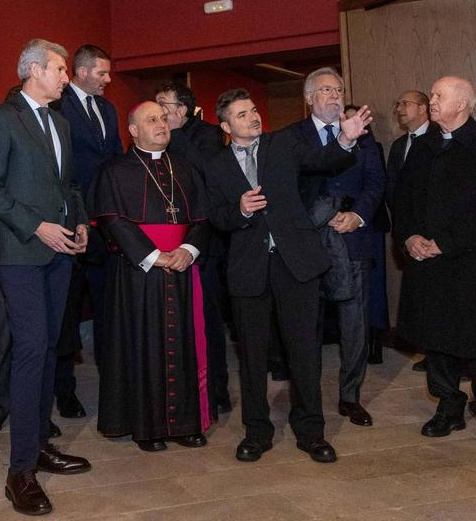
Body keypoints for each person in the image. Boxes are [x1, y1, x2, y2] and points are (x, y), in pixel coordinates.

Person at [204, 88, 370, 464]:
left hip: (296, 264)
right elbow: (214, 215)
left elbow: (324, 160)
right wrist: (240, 210)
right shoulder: (215, 167)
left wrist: (346, 137)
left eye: (254, 110)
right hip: (249, 270)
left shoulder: (282, 145)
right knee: (252, 356)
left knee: (304, 352)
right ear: (226, 125)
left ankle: (311, 431)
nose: (253, 117)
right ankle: (256, 432)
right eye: (243, 114)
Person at [0, 39, 92, 516]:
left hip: (60, 251)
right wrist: (35, 224)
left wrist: (79, 220)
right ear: (35, 69)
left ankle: (40, 446)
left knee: (47, 349)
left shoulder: (60, 122)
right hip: (19, 251)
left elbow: (69, 186)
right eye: (62, 70)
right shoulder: (2, 117)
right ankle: (19, 470)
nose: (68, 78)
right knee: (29, 349)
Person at [394, 76, 476, 447]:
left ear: (463, 104)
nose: (433, 100)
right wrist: (409, 236)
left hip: (471, 263)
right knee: (437, 338)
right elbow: (403, 199)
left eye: (440, 96)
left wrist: (444, 243)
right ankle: (449, 406)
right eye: (432, 94)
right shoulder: (422, 145)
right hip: (427, 263)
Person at [92, 100, 213, 452]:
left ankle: (186, 423)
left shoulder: (187, 169)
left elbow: (203, 219)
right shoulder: (114, 171)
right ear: (132, 130)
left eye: (163, 118)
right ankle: (148, 426)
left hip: (182, 267)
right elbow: (112, 220)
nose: (161, 124)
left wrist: (187, 252)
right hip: (138, 272)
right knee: (142, 344)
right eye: (151, 119)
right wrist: (153, 255)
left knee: (185, 345)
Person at [292, 68, 386, 427]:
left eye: (339, 89)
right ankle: (307, 395)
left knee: (354, 324)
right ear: (309, 98)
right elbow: (293, 186)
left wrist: (358, 216)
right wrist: (324, 213)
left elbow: (376, 181)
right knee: (307, 325)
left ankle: (351, 396)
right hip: (310, 243)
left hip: (354, 237)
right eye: (326, 90)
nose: (334, 95)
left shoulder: (362, 134)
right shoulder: (293, 137)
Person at [50, 43, 121, 420]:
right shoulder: (58, 106)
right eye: (102, 73)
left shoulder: (107, 109)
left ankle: (114, 387)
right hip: (70, 226)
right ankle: (65, 391)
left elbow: (116, 162)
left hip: (106, 226)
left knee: (108, 308)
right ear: (80, 71)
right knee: (66, 313)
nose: (108, 80)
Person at [156, 81, 231, 413]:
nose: (158, 111)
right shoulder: (158, 136)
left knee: (209, 319)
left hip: (205, 242)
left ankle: (217, 390)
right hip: (167, 240)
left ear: (182, 109)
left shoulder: (208, 135)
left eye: (164, 104)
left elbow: (204, 171)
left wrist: (175, 131)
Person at [388, 89, 432, 373]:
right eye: (398, 103)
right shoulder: (398, 145)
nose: (400, 108)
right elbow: (393, 192)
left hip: (433, 237)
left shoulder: (438, 139)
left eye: (406, 103)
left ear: (424, 108)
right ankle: (428, 350)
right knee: (420, 298)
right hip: (407, 234)